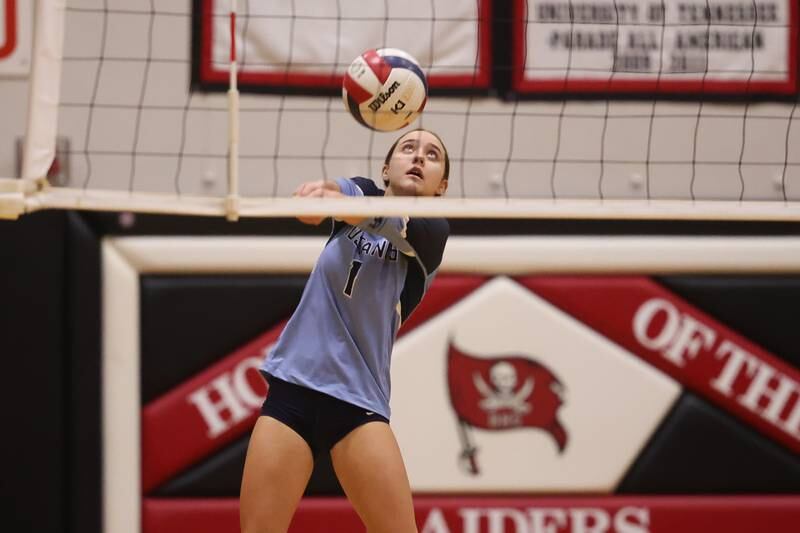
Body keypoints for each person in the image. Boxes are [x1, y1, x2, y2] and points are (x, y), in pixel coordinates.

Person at [240, 128, 450, 533]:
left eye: (432, 155)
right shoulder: (362, 191)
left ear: (441, 186)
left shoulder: (433, 232)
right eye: (408, 149)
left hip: (357, 404)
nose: (419, 157)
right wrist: (317, 197)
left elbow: (380, 217)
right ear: (386, 169)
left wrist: (338, 203)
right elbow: (337, 195)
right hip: (293, 390)